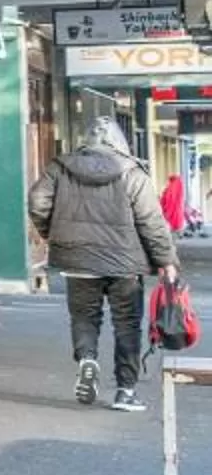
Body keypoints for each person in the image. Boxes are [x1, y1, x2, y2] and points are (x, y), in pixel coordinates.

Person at [29, 118, 180, 409]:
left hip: (78, 258)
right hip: (125, 263)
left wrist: (53, 234)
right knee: (127, 324)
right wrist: (167, 260)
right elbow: (151, 222)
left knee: (84, 317)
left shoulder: (60, 167)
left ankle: (87, 360)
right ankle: (126, 391)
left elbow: (37, 201)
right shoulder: (132, 172)